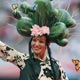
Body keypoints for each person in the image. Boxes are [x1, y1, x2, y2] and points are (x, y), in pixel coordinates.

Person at [0, 0, 76, 80]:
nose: (36, 44)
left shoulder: (56, 65)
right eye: (34, 40)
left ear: (47, 44)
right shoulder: (23, 60)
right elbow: (3, 49)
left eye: (41, 42)